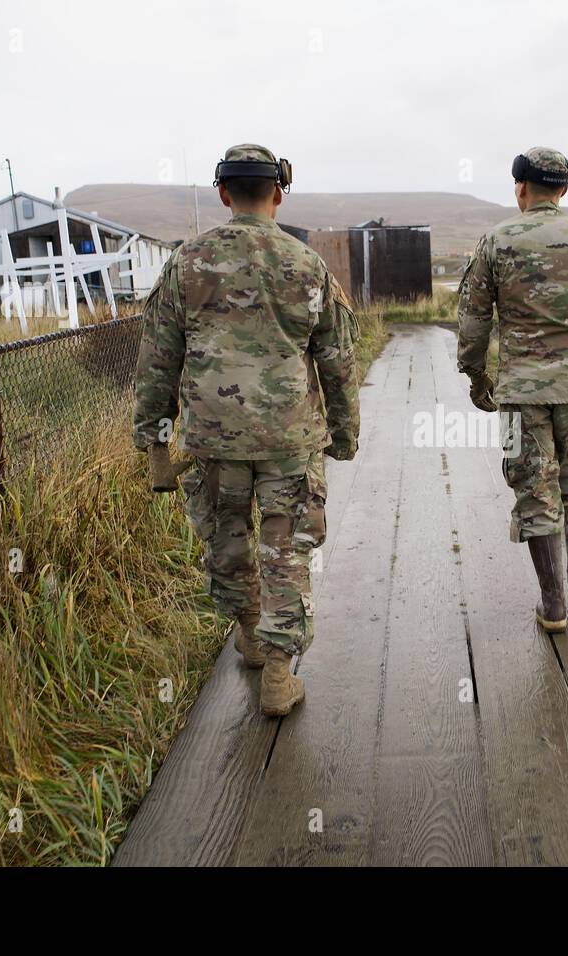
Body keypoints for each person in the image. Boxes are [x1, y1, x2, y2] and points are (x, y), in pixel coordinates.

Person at [133, 143, 360, 716]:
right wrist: (345, 431)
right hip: (289, 439)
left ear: (224, 193)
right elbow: (337, 358)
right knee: (286, 551)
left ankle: (253, 637)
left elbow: (157, 361)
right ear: (278, 194)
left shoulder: (187, 263)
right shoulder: (306, 265)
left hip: (213, 438)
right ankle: (279, 676)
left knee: (227, 540)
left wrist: (156, 443)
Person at [457, 147, 568, 633]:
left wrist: (476, 375)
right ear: (563, 191)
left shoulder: (495, 242)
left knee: (534, 488)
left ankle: (553, 602)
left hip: (521, 392)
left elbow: (474, 320)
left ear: (521, 189)